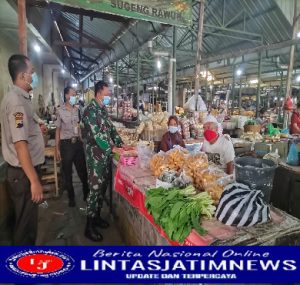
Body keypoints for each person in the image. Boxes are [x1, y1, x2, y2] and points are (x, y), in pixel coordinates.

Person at [0, 54, 44, 245]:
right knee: (25, 227)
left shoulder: (20, 98)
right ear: (22, 76)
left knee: (24, 221)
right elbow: (20, 144)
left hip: (22, 172)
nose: (34, 76)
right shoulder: (17, 102)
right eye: (32, 73)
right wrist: (34, 180)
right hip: (24, 174)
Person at [83, 81, 123, 242]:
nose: (109, 97)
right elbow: (98, 134)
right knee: (94, 190)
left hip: (104, 156)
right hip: (95, 157)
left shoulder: (102, 110)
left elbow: (110, 128)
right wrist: (112, 148)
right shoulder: (90, 111)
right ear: (99, 93)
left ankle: (97, 217)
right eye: (107, 94)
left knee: (102, 188)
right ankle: (89, 225)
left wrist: (120, 143)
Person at [55, 87, 89, 207]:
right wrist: (57, 149)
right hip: (66, 145)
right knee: (67, 173)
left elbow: (79, 125)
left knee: (83, 171)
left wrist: (80, 137)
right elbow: (57, 131)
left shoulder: (77, 109)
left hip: (77, 144)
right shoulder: (59, 110)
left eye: (76, 94)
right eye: (73, 94)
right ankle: (71, 198)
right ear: (66, 96)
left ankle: (86, 193)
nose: (75, 97)